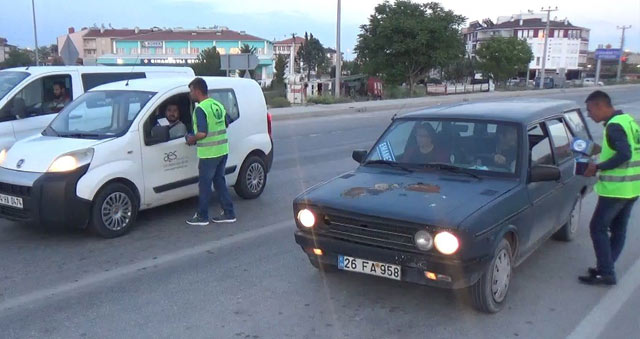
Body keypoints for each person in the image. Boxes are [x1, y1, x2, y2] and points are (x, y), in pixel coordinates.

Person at [579, 90, 640, 285]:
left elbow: (624, 154)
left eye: (589, 110)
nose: (589, 115)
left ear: (600, 106)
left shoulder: (614, 127)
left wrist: (597, 167)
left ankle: (605, 272)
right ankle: (606, 268)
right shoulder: (628, 120)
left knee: (597, 228)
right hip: (633, 187)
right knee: (618, 230)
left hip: (617, 189)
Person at [185, 78, 236, 225]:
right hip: (222, 150)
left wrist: (190, 139)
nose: (190, 94)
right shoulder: (217, 104)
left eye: (191, 91)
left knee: (205, 185)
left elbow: (202, 133)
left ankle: (202, 216)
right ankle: (229, 212)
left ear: (197, 91)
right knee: (219, 182)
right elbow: (227, 122)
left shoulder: (201, 109)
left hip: (209, 153)